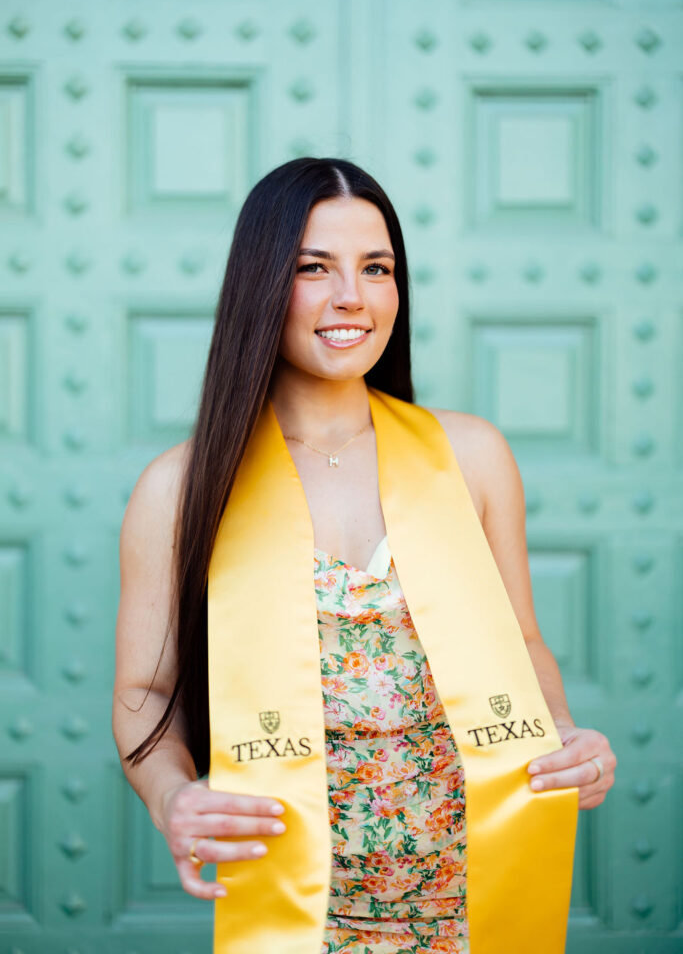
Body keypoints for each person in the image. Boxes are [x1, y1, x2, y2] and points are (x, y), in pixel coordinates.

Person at [112, 157, 616, 954]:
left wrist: (562, 733)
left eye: (375, 268)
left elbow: (521, 640)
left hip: (477, 899)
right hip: (299, 908)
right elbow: (145, 689)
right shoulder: (178, 488)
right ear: (261, 283)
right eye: (314, 268)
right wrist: (170, 796)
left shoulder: (470, 456)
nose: (351, 295)